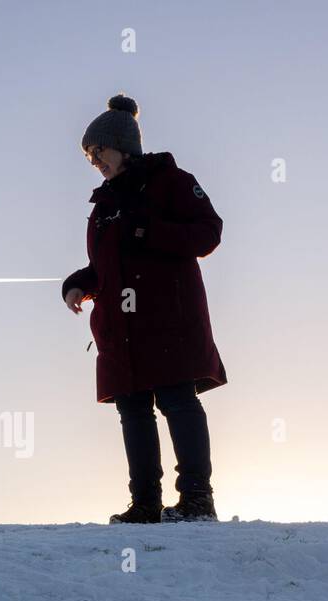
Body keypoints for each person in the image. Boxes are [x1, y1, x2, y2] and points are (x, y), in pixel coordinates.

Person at [63, 94, 227, 524]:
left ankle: (196, 500)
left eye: (99, 151)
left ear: (123, 145)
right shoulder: (102, 207)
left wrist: (149, 231)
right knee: (132, 409)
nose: (95, 161)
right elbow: (108, 266)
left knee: (177, 399)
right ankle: (146, 505)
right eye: (89, 156)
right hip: (121, 328)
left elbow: (209, 231)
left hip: (168, 318)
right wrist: (79, 283)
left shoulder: (170, 180)